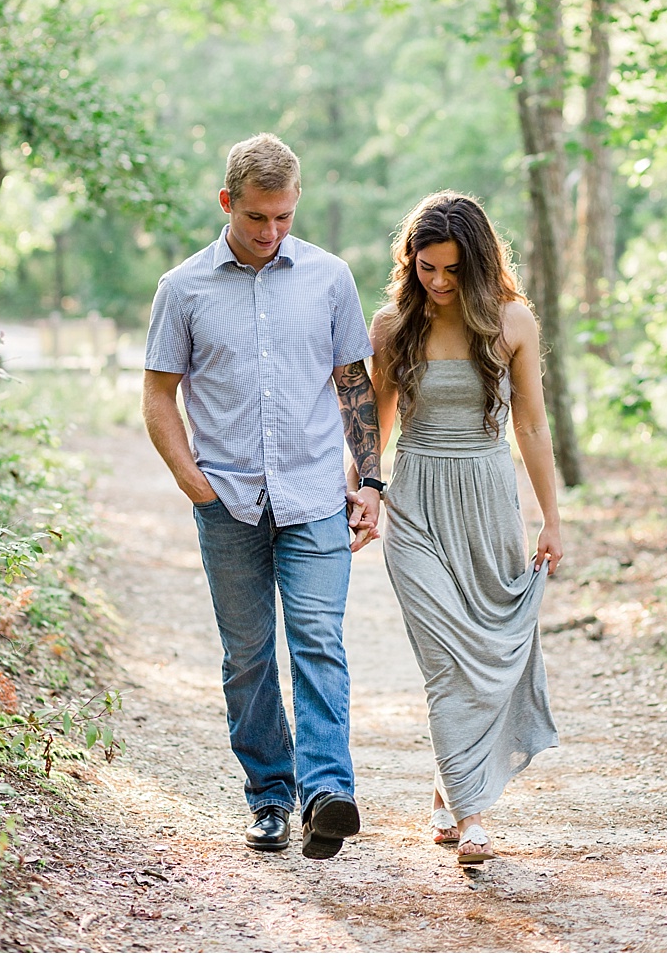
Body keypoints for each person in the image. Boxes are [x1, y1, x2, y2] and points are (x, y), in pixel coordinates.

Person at [143, 133, 383, 859]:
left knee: (319, 641)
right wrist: (199, 487)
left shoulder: (331, 277)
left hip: (314, 497)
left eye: (283, 216)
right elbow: (158, 400)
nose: (272, 232)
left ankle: (327, 792)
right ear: (227, 203)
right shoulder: (181, 288)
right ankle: (271, 798)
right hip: (229, 506)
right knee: (246, 656)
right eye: (257, 219)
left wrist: (370, 480)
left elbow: (354, 387)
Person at [361, 191, 561, 869]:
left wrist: (551, 519)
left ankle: (450, 787)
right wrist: (364, 492)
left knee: (487, 651)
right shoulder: (393, 326)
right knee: (446, 660)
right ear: (410, 262)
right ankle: (473, 817)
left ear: (477, 264)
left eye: (451, 270)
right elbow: (375, 425)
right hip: (415, 504)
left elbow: (531, 425)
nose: (439, 283)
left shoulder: (511, 321)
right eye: (426, 269)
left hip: (487, 504)